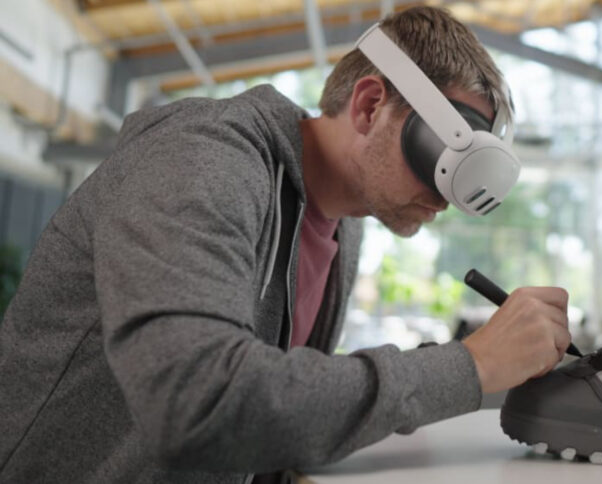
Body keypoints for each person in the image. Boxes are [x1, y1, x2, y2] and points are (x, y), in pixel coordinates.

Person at [0, 6, 571, 484]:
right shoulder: (202, 164)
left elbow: (276, 407)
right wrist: (469, 365)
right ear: (370, 106)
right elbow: (201, 404)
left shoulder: (347, 221)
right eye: (445, 160)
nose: (447, 198)